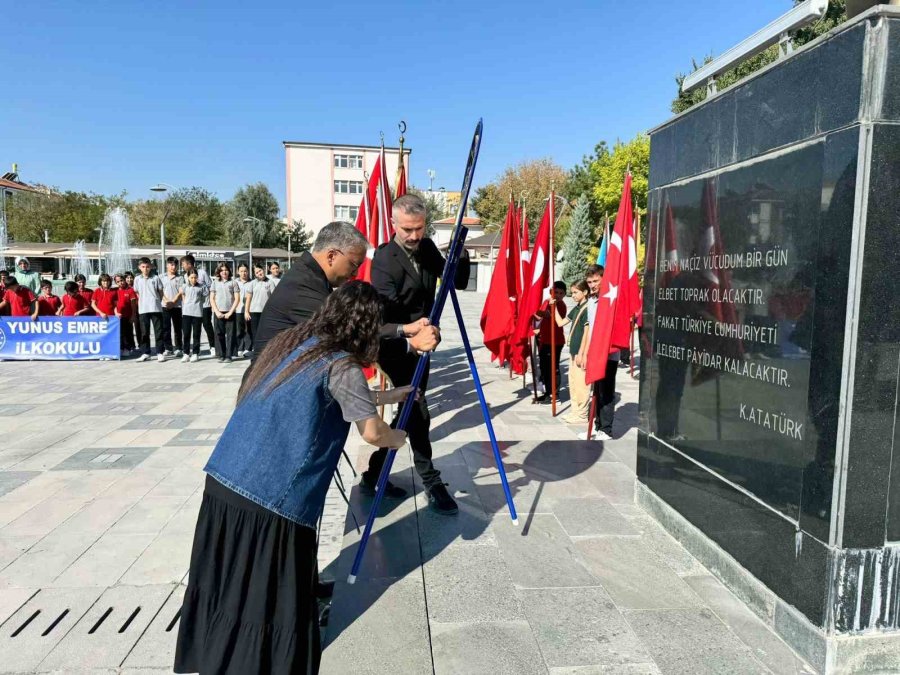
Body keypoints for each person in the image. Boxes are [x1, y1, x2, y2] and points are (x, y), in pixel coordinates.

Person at [173, 282, 410, 675]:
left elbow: (338, 397)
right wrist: (397, 437)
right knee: (265, 594)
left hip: (226, 478)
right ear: (366, 326)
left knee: (229, 584)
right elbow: (372, 432)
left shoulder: (296, 344)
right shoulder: (343, 365)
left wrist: (390, 396)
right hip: (272, 498)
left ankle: (216, 657)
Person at [364, 194, 470, 514]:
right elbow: (384, 317)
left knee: (408, 411)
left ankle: (374, 473)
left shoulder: (426, 248)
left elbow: (456, 281)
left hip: (423, 345)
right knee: (418, 409)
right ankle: (431, 480)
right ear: (393, 224)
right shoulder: (384, 259)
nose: (413, 236)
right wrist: (415, 332)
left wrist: (460, 253)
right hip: (394, 345)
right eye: (407, 229)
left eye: (419, 228)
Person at [575, 264, 619, 440]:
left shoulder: (611, 299)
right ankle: (597, 425)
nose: (592, 285)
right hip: (594, 352)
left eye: (595, 281)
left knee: (606, 391)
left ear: (603, 279)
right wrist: (585, 353)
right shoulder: (592, 301)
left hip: (608, 353)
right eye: (589, 282)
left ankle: (606, 430)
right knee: (596, 390)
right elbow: (590, 330)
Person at [556, 280, 591, 423]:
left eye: (576, 292)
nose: (573, 295)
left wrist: (582, 353)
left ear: (585, 292)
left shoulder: (587, 308)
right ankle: (575, 411)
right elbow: (561, 323)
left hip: (580, 352)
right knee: (574, 383)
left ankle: (582, 414)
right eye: (572, 293)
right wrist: (554, 307)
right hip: (573, 351)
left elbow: (587, 333)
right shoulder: (577, 308)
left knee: (582, 385)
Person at [533, 281, 567, 403]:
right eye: (556, 292)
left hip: (556, 341)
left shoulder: (561, 305)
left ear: (564, 294)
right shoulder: (547, 302)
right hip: (544, 339)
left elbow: (548, 314)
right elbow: (540, 317)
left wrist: (534, 309)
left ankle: (554, 394)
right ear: (551, 292)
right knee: (544, 367)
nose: (558, 295)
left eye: (561, 293)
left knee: (553, 368)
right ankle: (548, 392)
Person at [180, 255, 215, 356]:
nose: (182, 266)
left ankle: (213, 346)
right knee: (191, 331)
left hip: (205, 305)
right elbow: (185, 291)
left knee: (207, 325)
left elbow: (210, 286)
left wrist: (211, 302)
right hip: (192, 308)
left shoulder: (202, 273)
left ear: (189, 264)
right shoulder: (185, 275)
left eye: (183, 264)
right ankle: (193, 351)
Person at [133, 257, 166, 363]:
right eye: (143, 267)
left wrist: (157, 301)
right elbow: (137, 292)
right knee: (144, 332)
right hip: (143, 309)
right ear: (139, 267)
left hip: (155, 308)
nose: (145, 269)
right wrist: (143, 301)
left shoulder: (155, 278)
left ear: (151, 267)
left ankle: (160, 352)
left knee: (158, 331)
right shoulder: (137, 279)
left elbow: (161, 292)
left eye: (147, 267)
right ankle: (146, 353)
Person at [210, 263, 240, 363]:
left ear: (229, 271)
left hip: (230, 312)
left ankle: (228, 355)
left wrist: (230, 312)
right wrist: (216, 311)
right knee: (219, 334)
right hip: (218, 312)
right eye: (222, 270)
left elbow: (237, 299)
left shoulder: (233, 282)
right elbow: (212, 298)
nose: (224, 272)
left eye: (226, 270)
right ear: (219, 272)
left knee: (230, 335)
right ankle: (221, 354)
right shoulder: (215, 283)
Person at [177, 270, 208, 363]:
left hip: (197, 313)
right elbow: (182, 295)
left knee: (196, 334)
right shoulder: (184, 286)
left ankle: (195, 353)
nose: (193, 279)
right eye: (192, 277)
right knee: (186, 334)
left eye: (195, 277)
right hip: (186, 313)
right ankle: (186, 353)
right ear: (188, 278)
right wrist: (186, 303)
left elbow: (204, 297)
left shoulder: (202, 287)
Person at [244, 264, 275, 355]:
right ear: (255, 274)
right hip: (254, 312)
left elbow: (273, 298)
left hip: (265, 312)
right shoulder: (252, 283)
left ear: (264, 270)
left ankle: (265, 351)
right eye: (257, 272)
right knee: (255, 333)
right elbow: (248, 298)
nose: (259, 273)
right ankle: (257, 351)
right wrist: (246, 311)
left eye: (260, 271)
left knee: (265, 332)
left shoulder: (270, 283)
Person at [161, 257, 184, 357]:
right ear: (167, 265)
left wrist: (173, 302)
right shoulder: (161, 277)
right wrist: (167, 301)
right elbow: (160, 291)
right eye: (171, 265)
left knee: (177, 328)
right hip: (164, 305)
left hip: (177, 306)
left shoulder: (180, 278)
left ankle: (178, 348)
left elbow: (181, 292)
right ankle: (168, 348)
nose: (173, 267)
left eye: (175, 265)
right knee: (166, 328)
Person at [115, 273, 138, 355]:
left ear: (124, 280)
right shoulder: (115, 291)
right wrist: (116, 313)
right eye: (118, 282)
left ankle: (129, 347)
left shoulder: (130, 290)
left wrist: (133, 315)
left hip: (128, 316)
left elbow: (133, 305)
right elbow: (114, 304)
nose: (120, 283)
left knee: (128, 333)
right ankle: (121, 348)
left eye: (121, 280)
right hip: (118, 316)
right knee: (120, 333)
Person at [234, 263, 252, 357]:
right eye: (241, 271)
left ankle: (248, 348)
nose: (243, 273)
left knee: (248, 329)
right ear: (238, 272)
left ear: (248, 271)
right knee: (239, 330)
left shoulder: (252, 282)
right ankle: (240, 348)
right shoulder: (235, 282)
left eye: (245, 271)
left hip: (249, 310)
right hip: (238, 309)